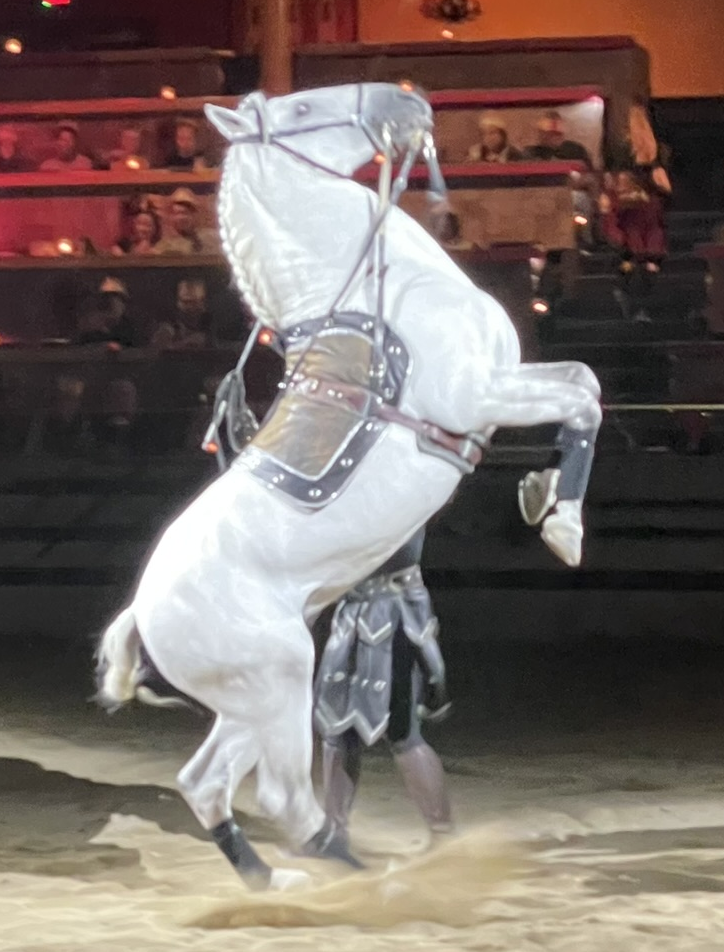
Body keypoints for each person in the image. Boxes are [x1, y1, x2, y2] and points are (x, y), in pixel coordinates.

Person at [314, 528, 453, 849]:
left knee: (403, 732)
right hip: (353, 608)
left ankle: (443, 837)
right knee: (337, 730)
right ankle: (335, 830)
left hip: (393, 609)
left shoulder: (405, 484)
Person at [599, 101, 671, 275]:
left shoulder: (625, 149)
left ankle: (631, 257)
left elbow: (613, 174)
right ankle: (649, 259)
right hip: (643, 195)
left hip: (635, 195)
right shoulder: (656, 149)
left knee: (634, 222)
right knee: (645, 222)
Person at [153, 188, 221, 255]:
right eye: (177, 213)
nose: (182, 218)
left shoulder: (210, 238)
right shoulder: (164, 247)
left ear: (194, 215)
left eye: (185, 213)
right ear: (171, 217)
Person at [150, 278, 214, 349]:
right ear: (176, 303)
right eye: (188, 302)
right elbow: (159, 353)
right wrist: (187, 343)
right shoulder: (167, 328)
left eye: (201, 301)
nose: (197, 307)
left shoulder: (212, 324)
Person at [523, 111, 592, 167]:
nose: (552, 137)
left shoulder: (576, 151)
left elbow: (589, 175)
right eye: (549, 134)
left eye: (556, 134)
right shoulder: (531, 153)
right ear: (541, 134)